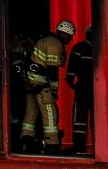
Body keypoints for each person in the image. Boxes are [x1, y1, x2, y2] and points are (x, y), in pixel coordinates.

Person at [19, 19, 76, 155]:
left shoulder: (45, 40)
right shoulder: (55, 44)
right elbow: (52, 70)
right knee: (50, 112)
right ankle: (52, 144)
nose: (70, 40)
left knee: (31, 112)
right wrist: (54, 91)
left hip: (29, 81)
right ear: (66, 34)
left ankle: (27, 140)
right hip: (40, 83)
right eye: (70, 37)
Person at [65, 25, 95, 155]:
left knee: (79, 118)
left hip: (82, 87)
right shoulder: (100, 49)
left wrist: (71, 82)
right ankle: (98, 147)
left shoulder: (79, 48)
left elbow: (72, 67)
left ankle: (79, 146)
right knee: (96, 118)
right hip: (97, 88)